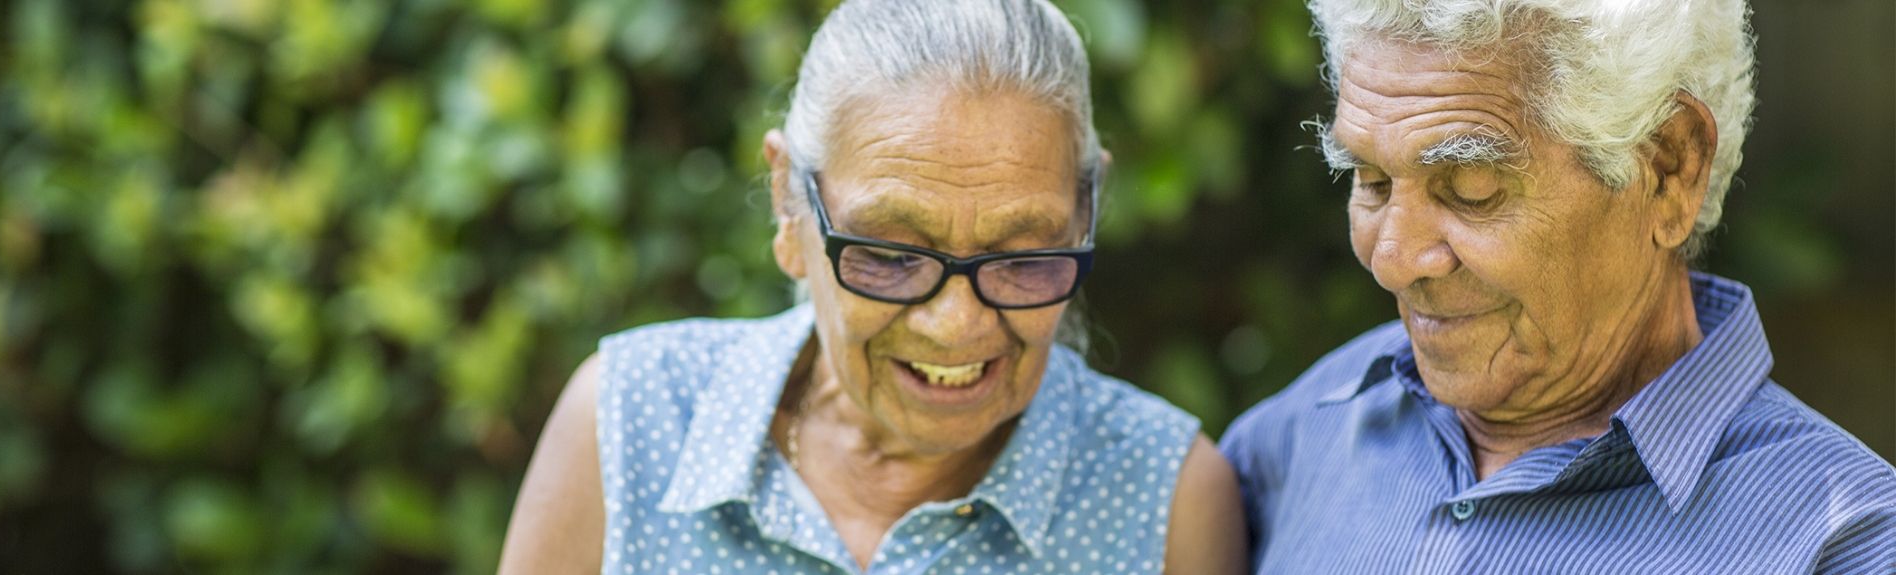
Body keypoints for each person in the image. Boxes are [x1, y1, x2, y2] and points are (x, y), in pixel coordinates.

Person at [499, 1, 1248, 573]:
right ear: (789, 206)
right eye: (890, 255)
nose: (957, 324)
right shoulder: (629, 418)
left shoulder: (1167, 496)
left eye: (1022, 255)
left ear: (1088, 213)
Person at [1218, 0, 1895, 572]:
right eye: (1370, 181)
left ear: (1667, 169)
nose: (1393, 260)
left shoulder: (1844, 541)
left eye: (1472, 188)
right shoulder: (1298, 434)